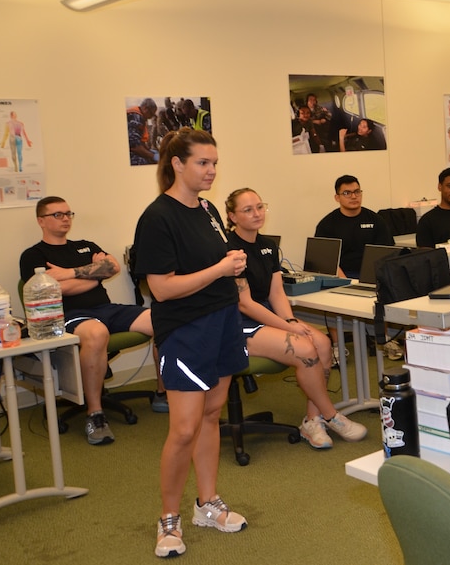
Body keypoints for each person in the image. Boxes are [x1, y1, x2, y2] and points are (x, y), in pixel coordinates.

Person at [132, 127, 249, 558]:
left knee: (211, 415)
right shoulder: (157, 217)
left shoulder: (208, 209)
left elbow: (212, 266)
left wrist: (230, 267)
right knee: (182, 429)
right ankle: (168, 519)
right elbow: (162, 289)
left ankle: (207, 503)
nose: (211, 171)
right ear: (177, 164)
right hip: (185, 329)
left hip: (222, 320)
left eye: (214, 163)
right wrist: (221, 269)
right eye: (203, 163)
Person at [225, 188, 366, 449]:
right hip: (237, 325)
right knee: (304, 349)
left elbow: (276, 292)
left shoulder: (268, 246)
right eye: (247, 210)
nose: (256, 213)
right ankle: (331, 415)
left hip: (268, 318)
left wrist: (290, 321)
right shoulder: (229, 249)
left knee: (323, 343)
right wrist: (288, 326)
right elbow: (245, 304)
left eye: (259, 206)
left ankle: (311, 421)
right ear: (232, 216)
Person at [20, 196, 166, 445]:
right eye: (57, 214)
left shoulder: (85, 246)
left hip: (107, 309)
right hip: (70, 316)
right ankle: (95, 415)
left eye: (68, 213)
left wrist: (69, 274)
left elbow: (112, 267)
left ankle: (164, 394)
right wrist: (93, 274)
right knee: (97, 334)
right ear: (41, 221)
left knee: (165, 319)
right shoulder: (33, 255)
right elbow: (52, 290)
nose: (65, 218)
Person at [314, 174, 395, 278]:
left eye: (357, 192)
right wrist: (344, 281)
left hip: (373, 274)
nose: (353, 196)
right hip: (341, 276)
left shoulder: (376, 220)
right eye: (347, 193)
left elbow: (386, 252)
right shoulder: (327, 224)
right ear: (337, 198)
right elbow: (324, 259)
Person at [128, 98, 159, 166]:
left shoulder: (140, 117)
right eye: (151, 114)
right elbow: (135, 147)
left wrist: (149, 151)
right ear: (145, 108)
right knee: (144, 162)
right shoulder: (136, 118)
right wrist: (153, 156)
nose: (150, 117)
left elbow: (140, 142)